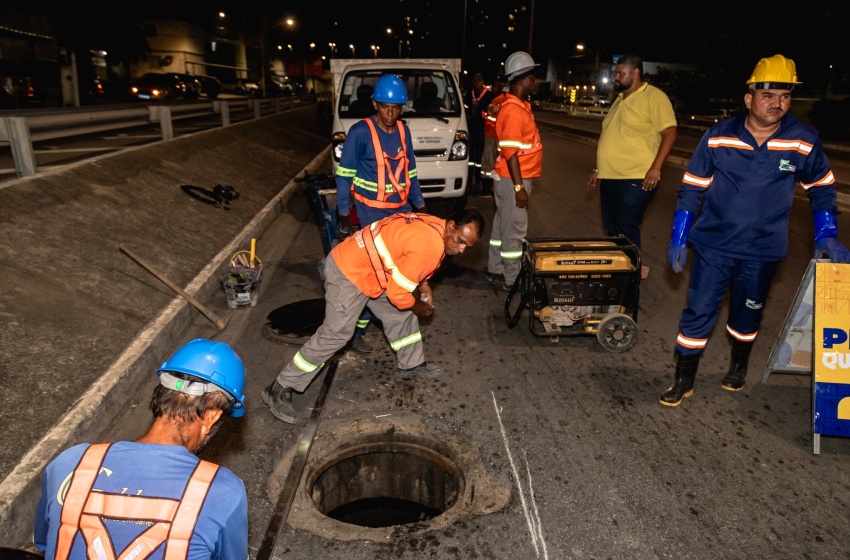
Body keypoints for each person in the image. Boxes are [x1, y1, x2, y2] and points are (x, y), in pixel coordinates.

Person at [660, 54, 850, 407]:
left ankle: (738, 365)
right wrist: (678, 235)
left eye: (785, 96)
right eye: (768, 95)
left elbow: (822, 187)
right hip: (714, 245)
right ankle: (683, 379)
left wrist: (826, 231)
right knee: (698, 310)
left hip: (763, 250)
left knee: (747, 315)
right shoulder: (718, 137)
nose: (777, 103)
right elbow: (692, 188)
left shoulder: (803, 140)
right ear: (749, 99)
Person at [263, 208, 485, 424]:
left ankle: (411, 364)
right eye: (460, 241)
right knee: (337, 333)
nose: (462, 249)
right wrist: (418, 305)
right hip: (349, 272)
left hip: (372, 272)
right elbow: (399, 293)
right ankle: (280, 386)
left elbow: (411, 262)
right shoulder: (429, 246)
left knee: (401, 315)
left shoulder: (436, 225)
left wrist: (424, 287)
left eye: (468, 246)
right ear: (451, 226)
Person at [33, 339, 248, 560]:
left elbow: (44, 543)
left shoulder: (70, 463)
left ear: (160, 394)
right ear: (213, 417)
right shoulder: (224, 491)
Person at [335, 74, 429, 355]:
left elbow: (410, 173)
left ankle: (380, 324)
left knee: (400, 271)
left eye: (397, 108)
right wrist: (343, 213)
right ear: (375, 104)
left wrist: (420, 205)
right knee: (379, 275)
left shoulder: (403, 131)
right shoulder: (360, 132)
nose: (390, 113)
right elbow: (344, 176)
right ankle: (359, 329)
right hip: (371, 214)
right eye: (385, 107)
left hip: (400, 212)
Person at [587, 53, 677, 281]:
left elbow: (669, 132)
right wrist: (598, 169)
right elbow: (613, 135)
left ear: (635, 73)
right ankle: (625, 267)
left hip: (637, 176)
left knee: (626, 222)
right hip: (610, 176)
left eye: (620, 73)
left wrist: (655, 168)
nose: (616, 77)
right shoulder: (620, 100)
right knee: (611, 226)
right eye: (616, 73)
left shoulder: (654, 97)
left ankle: (630, 276)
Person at [486, 52, 542, 292]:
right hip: (513, 181)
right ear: (522, 81)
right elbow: (510, 153)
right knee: (514, 231)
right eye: (533, 77)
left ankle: (496, 268)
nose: (536, 82)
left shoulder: (519, 106)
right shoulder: (513, 111)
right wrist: (520, 188)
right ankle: (512, 279)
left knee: (502, 225)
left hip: (510, 179)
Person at [465, 72, 495, 196]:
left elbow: (491, 112)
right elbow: (465, 108)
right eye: (475, 80)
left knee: (481, 157)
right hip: (471, 128)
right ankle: (469, 179)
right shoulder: (469, 93)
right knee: (470, 157)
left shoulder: (488, 95)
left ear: (483, 82)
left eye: (479, 80)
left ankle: (479, 179)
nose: (477, 83)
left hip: (483, 129)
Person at [479, 76, 508, 197]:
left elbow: (493, 118)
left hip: (492, 136)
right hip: (496, 136)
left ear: (500, 87)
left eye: (495, 86)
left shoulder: (498, 100)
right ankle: (494, 189)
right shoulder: (502, 100)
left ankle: (486, 189)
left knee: (487, 163)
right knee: (494, 163)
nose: (493, 88)